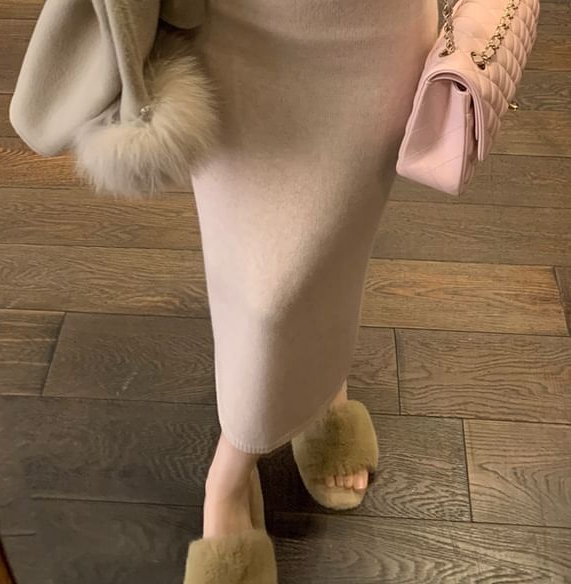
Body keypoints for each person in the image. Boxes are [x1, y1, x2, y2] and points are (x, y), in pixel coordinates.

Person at [184, 1, 437, 582]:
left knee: (335, 243)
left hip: (376, 31)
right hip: (231, 28)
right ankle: (230, 472)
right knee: (261, 286)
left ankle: (324, 392)